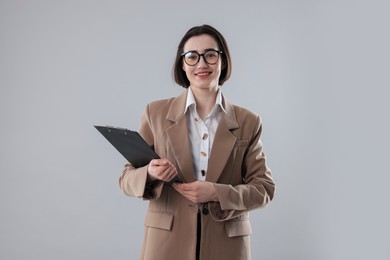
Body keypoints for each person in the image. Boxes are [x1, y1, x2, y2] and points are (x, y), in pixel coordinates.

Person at [119, 24, 275, 260]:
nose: (202, 64)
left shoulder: (248, 121)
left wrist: (217, 193)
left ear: (223, 61)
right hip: (166, 243)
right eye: (192, 57)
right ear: (182, 65)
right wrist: (150, 173)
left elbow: (264, 189)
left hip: (226, 245)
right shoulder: (155, 113)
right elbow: (126, 179)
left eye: (210, 55)